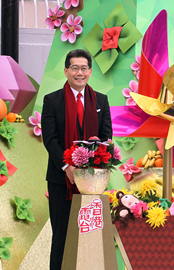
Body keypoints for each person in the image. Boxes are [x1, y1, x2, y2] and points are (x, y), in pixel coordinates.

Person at [42, 49, 112, 270]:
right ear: (66, 71)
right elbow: (50, 139)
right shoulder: (52, 100)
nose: (79, 72)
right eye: (74, 68)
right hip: (60, 180)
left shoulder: (101, 100)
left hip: (92, 182)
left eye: (83, 68)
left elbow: (105, 137)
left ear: (90, 72)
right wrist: (67, 167)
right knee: (61, 237)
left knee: (90, 237)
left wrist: (93, 169)